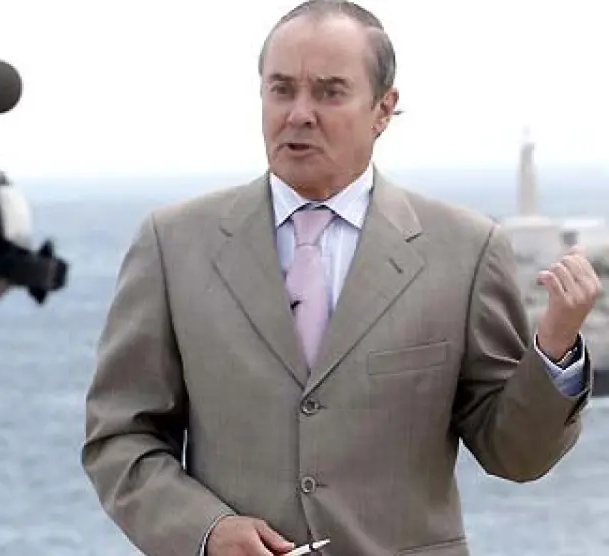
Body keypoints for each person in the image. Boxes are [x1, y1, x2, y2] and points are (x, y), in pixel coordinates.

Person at [80, 1, 603, 555]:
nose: (299, 114)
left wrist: (555, 346)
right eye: (282, 90)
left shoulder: (466, 250)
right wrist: (206, 532)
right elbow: (121, 437)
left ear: (383, 109)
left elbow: (516, 455)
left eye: (329, 93)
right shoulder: (172, 244)